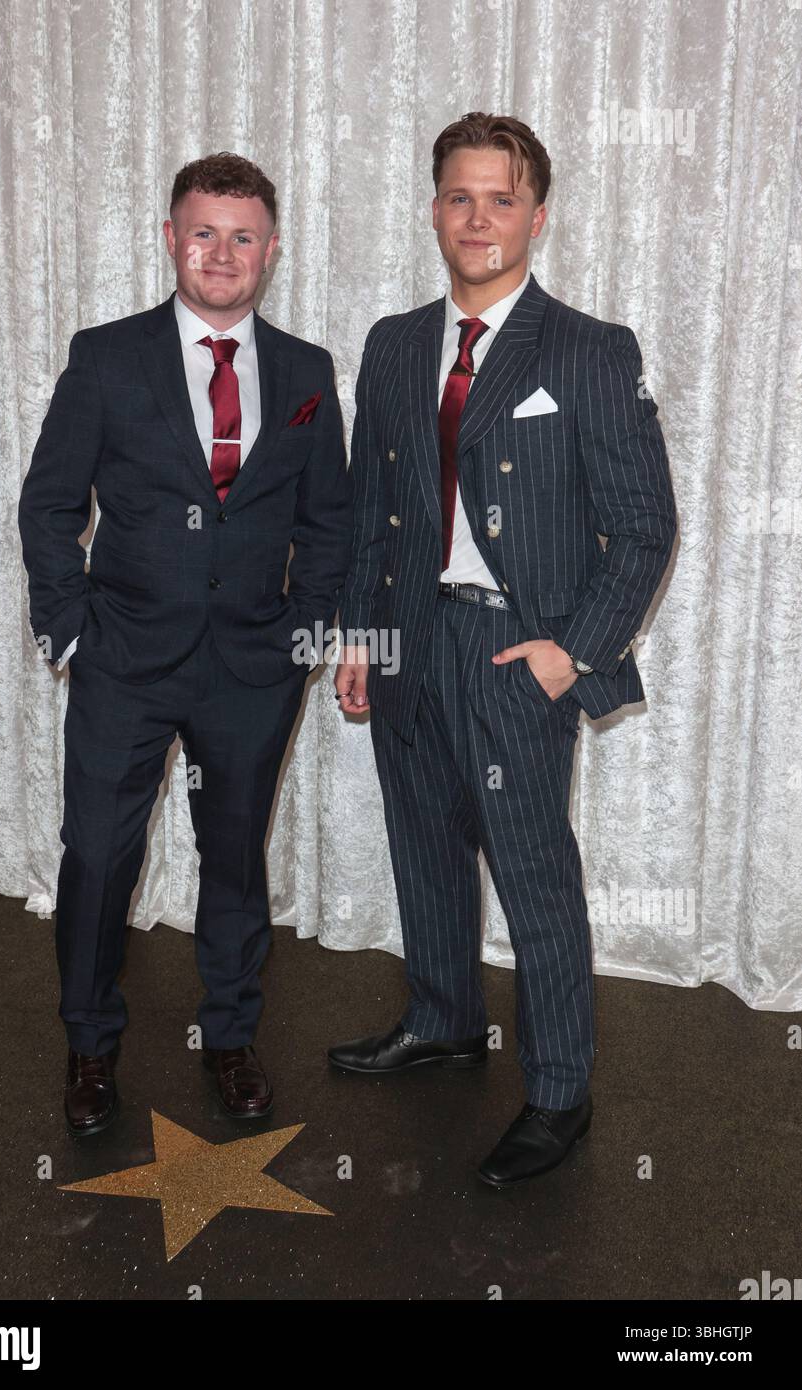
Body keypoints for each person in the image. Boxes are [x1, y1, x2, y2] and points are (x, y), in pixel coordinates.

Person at [331, 113, 677, 1187]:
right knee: (422, 843)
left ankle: (560, 1091)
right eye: (458, 197)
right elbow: (371, 507)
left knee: (533, 873)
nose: (476, 219)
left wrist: (568, 653)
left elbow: (644, 526)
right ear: (433, 207)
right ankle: (441, 1015)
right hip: (409, 639)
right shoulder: (393, 341)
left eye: (499, 198)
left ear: (536, 212)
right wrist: (357, 630)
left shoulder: (586, 347)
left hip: (509, 651)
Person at [19, 152, 352, 1134]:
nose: (221, 253)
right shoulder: (106, 357)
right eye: (203, 232)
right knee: (97, 858)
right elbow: (47, 506)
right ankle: (89, 1044)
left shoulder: (304, 372)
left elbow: (327, 520)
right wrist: (71, 625)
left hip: (253, 667)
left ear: (271, 249)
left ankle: (233, 1034)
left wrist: (306, 630)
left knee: (235, 857)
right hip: (123, 656)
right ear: (171, 237)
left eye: (242, 235)